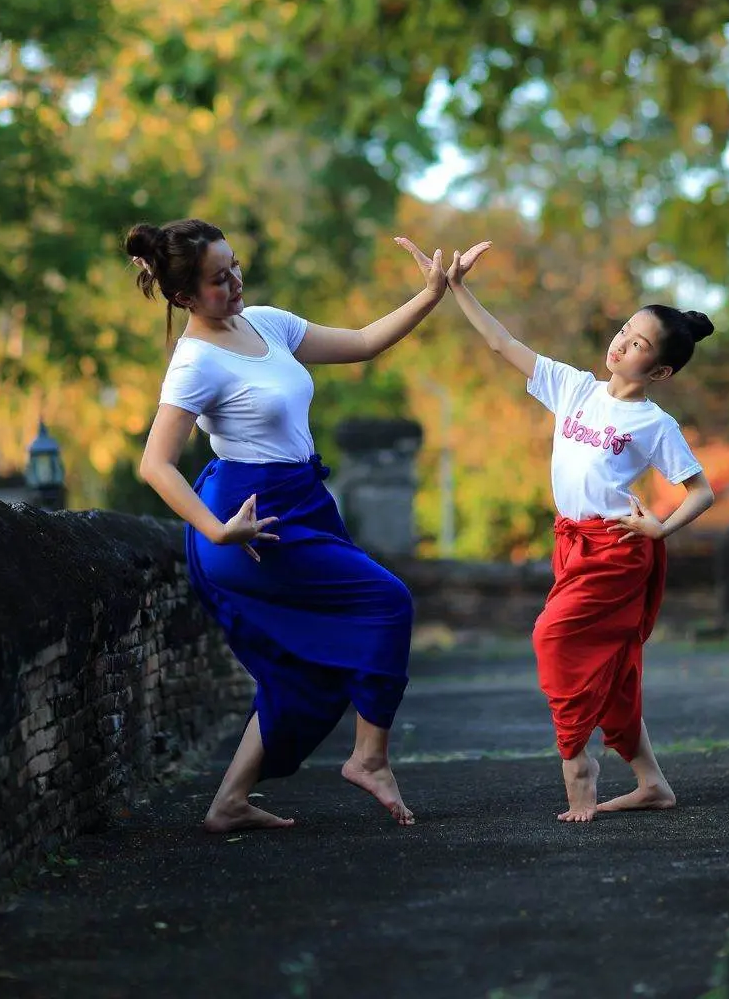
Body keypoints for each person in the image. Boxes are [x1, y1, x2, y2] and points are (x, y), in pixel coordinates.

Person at [126, 218, 487, 833]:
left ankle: (229, 803)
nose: (236, 282)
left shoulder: (265, 322)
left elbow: (365, 342)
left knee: (304, 667)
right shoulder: (194, 364)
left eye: (235, 265)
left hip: (302, 501)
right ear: (184, 297)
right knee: (386, 601)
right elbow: (154, 464)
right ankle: (370, 759)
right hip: (250, 521)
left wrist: (430, 294)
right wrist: (215, 531)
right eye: (219, 279)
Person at [429, 238, 715, 823]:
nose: (621, 343)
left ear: (659, 370)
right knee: (607, 669)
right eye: (624, 330)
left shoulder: (655, 424)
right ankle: (651, 782)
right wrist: (458, 287)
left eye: (638, 344)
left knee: (551, 638)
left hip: (615, 551)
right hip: (571, 544)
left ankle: (576, 763)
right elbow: (500, 342)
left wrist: (658, 529)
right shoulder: (575, 389)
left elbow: (702, 491)